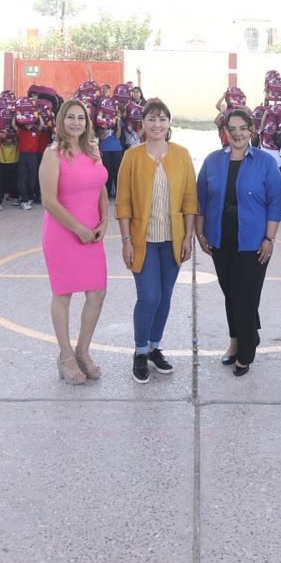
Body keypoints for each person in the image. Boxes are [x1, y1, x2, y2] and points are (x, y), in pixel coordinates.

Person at [115, 99, 198, 384]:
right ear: (143, 123)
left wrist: (188, 237)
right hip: (144, 240)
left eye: (162, 119)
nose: (157, 124)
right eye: (151, 118)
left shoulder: (182, 155)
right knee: (149, 297)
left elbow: (190, 199)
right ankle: (139, 351)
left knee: (164, 298)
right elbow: (123, 202)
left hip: (172, 239)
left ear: (169, 123)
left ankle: (154, 348)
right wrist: (126, 240)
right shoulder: (132, 157)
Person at [195, 107, 281, 375]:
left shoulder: (266, 162)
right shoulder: (212, 161)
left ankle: (246, 352)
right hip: (220, 237)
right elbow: (201, 199)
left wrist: (269, 238)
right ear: (225, 132)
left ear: (251, 130)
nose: (237, 134)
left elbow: (275, 202)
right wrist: (200, 233)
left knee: (245, 297)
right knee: (231, 294)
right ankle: (237, 341)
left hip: (253, 241)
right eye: (231, 129)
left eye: (242, 128)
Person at [39, 100, 110, 385]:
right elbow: (49, 201)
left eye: (81, 118)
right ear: (61, 120)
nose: (76, 123)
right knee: (64, 294)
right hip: (63, 233)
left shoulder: (93, 149)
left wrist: (104, 219)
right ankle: (65, 355)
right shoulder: (52, 154)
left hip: (92, 232)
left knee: (97, 293)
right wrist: (78, 229)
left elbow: (100, 186)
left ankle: (83, 350)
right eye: (70, 117)